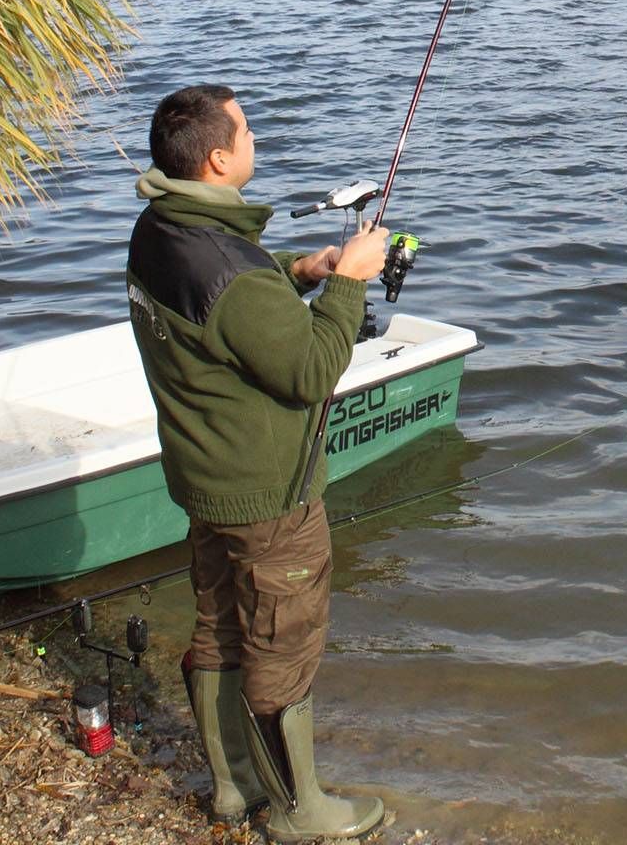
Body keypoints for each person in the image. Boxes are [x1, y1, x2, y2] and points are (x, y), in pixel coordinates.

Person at [125, 84, 390, 840]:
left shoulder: (158, 227)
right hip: (268, 493)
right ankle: (300, 811)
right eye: (246, 132)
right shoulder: (230, 274)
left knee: (219, 626)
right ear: (217, 157)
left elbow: (226, 290)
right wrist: (347, 283)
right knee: (283, 641)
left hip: (203, 481)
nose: (254, 141)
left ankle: (235, 789)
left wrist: (299, 271)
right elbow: (309, 371)